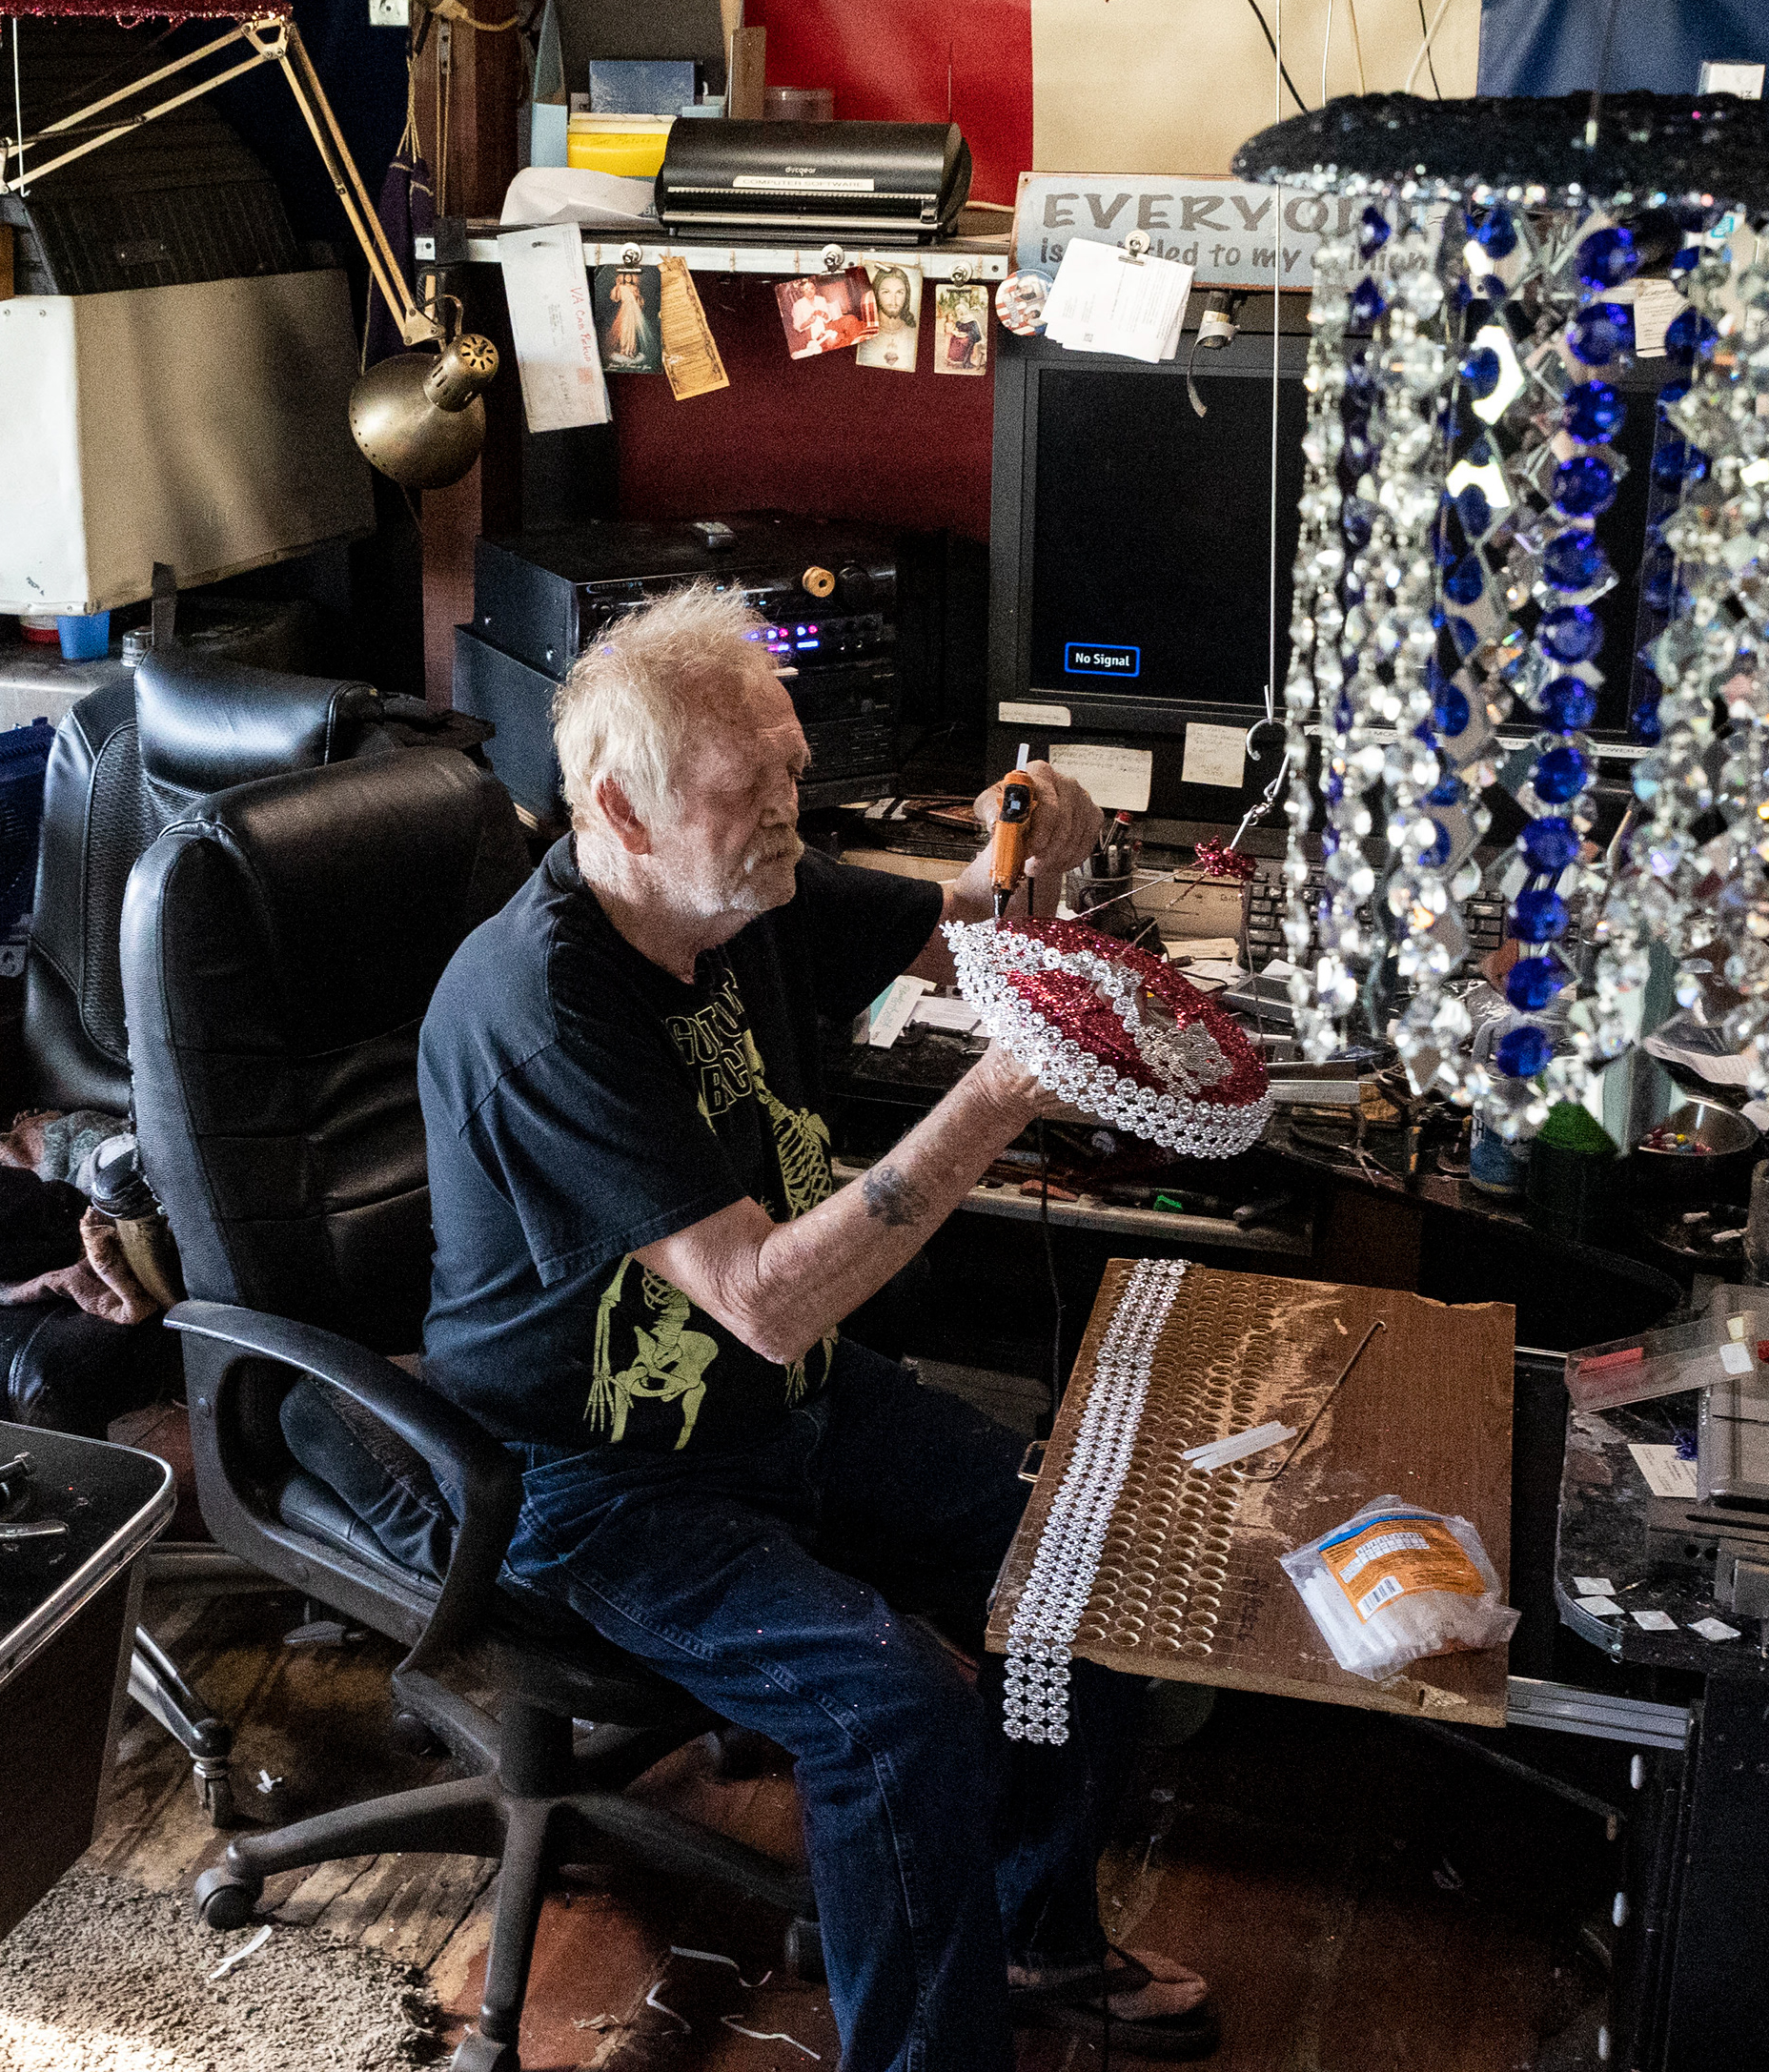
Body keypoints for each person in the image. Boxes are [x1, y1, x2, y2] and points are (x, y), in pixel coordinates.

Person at [418, 586, 1218, 2071]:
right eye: (758, 785)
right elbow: (764, 1305)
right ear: (621, 807)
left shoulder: (744, 891)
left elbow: (983, 919)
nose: (798, 808)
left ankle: (1039, 1938)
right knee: (893, 1716)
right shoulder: (546, 1007)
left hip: (786, 1409)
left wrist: (1056, 829)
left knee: (1081, 1562)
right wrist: (991, 1099)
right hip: (601, 1478)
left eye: (795, 768)